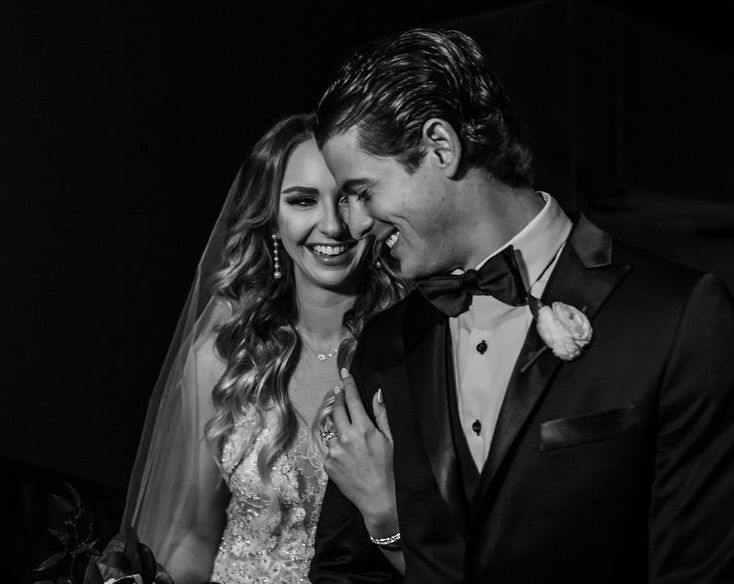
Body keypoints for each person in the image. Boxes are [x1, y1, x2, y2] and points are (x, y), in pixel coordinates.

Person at [309, 28, 734, 583]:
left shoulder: (678, 317)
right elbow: (346, 572)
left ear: (441, 146)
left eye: (363, 191)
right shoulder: (387, 343)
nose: (356, 224)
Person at [121, 112, 405, 584]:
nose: (331, 225)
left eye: (348, 199)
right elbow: (193, 534)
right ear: (272, 218)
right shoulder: (223, 358)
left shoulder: (413, 352)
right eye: (302, 200)